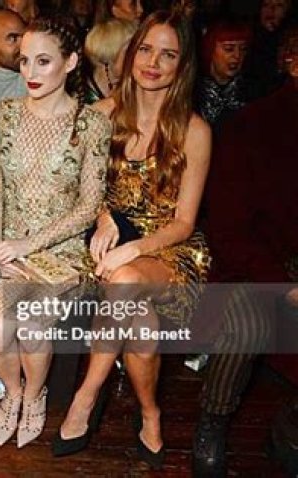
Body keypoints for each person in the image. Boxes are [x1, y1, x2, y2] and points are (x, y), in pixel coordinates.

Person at [53, 10, 211, 470]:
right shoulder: (100, 115)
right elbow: (77, 189)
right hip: (110, 243)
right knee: (141, 328)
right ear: (131, 53)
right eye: (146, 49)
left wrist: (133, 248)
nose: (153, 63)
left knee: (123, 281)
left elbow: (184, 223)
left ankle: (86, 396)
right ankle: (150, 413)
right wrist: (104, 218)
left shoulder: (194, 131)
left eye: (168, 54)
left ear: (183, 65)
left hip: (170, 252)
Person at [0, 15, 111, 448]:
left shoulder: (91, 124)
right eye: (24, 61)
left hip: (62, 250)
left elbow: (89, 207)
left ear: (71, 62)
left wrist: (28, 244)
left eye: (43, 61)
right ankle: (13, 392)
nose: (31, 72)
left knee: (33, 326)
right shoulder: (3, 114)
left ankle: (35, 394)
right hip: (5, 246)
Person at [193, 25, 298, 477]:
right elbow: (229, 232)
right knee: (248, 323)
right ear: (293, 62)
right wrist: (286, 285)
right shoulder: (253, 126)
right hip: (254, 266)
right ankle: (212, 422)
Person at [195, 19, 251, 129]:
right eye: (229, 49)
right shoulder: (193, 92)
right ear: (210, 50)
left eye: (243, 49)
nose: (237, 55)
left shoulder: (251, 91)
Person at [84, 17, 137, 103]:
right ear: (108, 56)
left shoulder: (135, 92)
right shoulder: (80, 101)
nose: (137, 57)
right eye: (129, 51)